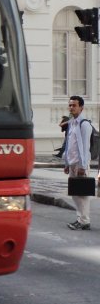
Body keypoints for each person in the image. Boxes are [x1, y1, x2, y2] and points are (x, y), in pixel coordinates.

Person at [62, 95, 92, 230]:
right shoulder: (71, 123)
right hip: (72, 163)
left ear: (81, 107)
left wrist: (82, 166)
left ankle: (84, 221)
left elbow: (85, 147)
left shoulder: (84, 124)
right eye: (70, 105)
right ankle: (80, 219)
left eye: (74, 105)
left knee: (82, 194)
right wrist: (67, 163)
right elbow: (69, 145)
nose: (71, 107)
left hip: (80, 164)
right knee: (75, 194)